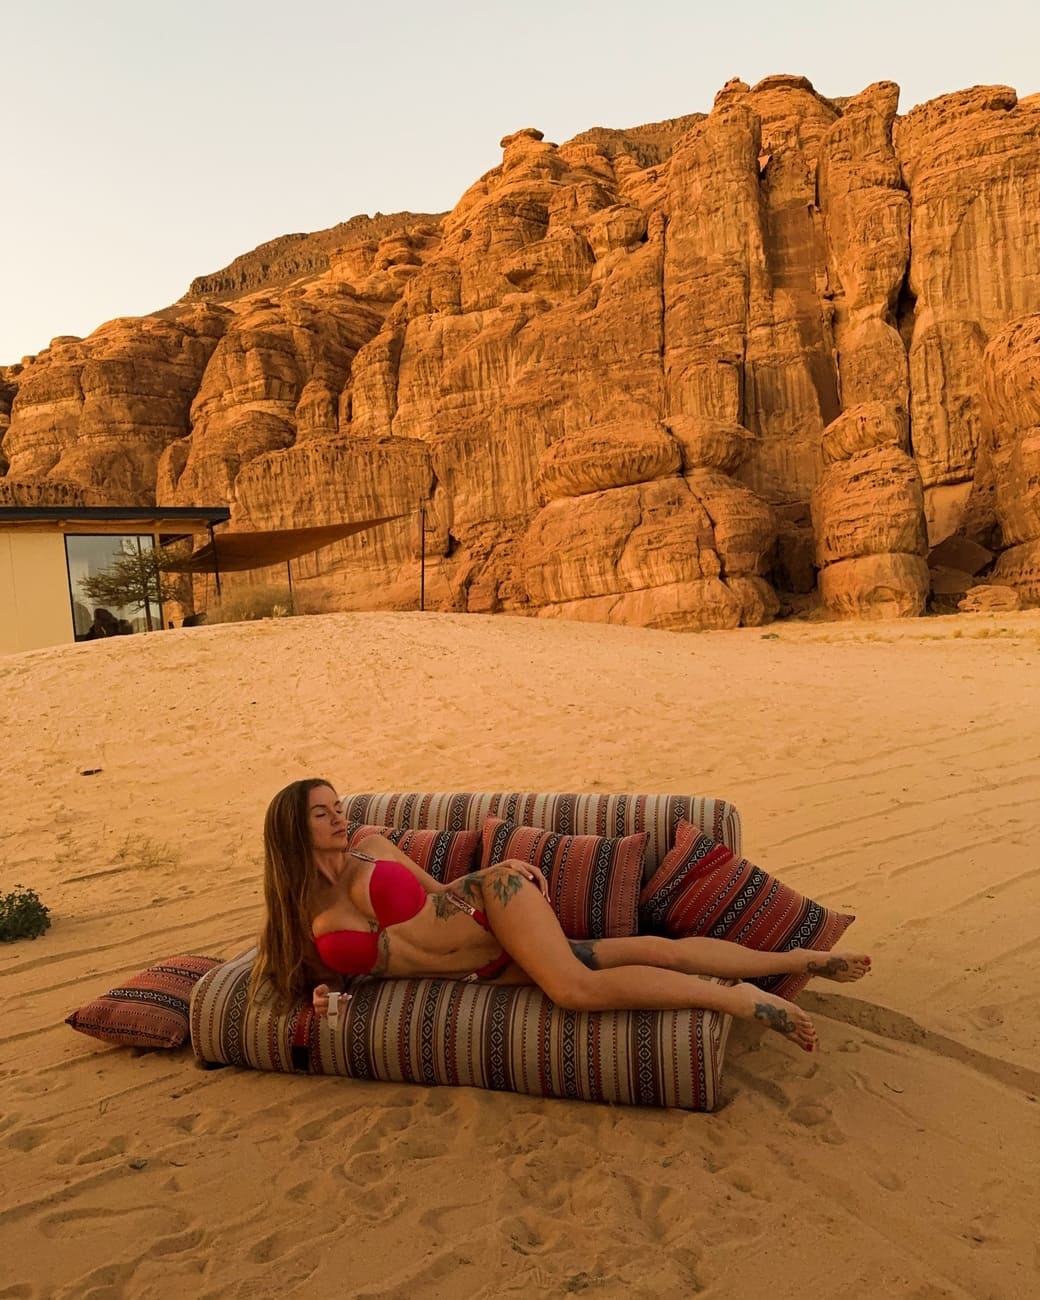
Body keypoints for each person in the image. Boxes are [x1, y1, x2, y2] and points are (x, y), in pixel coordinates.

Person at [251, 779, 872, 1053]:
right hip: (481, 970)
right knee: (648, 949)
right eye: (322, 813)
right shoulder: (300, 911)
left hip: (495, 910)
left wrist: (498, 871)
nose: (339, 817)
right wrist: (326, 995)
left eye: (338, 806)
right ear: (292, 830)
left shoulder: (373, 846)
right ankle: (800, 958)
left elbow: (442, 894)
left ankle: (737, 1000)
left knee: (575, 990)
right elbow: (322, 978)